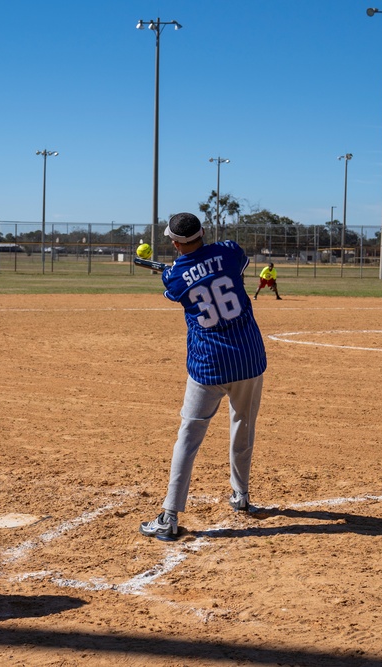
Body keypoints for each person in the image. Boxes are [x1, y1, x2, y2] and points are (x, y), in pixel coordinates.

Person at [139, 212, 268, 541]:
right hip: (249, 359)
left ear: (174, 242)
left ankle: (169, 516)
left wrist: (177, 270)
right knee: (243, 427)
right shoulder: (229, 251)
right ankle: (241, 496)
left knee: (189, 437)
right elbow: (229, 263)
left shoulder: (175, 276)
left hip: (208, 364)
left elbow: (178, 287)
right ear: (202, 232)